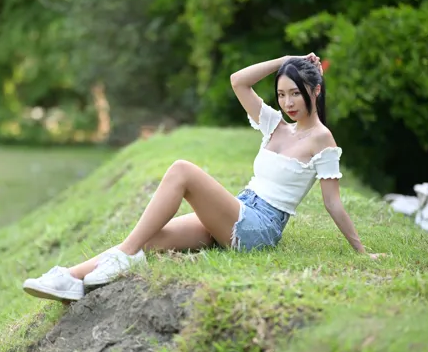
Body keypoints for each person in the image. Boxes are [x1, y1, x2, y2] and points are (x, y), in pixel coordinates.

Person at [22, 53, 386, 302]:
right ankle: (69, 279)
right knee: (151, 238)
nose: (289, 102)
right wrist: (286, 61)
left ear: (316, 91)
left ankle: (122, 256)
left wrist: (360, 251)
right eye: (282, 94)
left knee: (182, 170)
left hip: (259, 228)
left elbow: (333, 202)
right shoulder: (276, 125)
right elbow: (238, 81)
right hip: (240, 208)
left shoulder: (322, 140)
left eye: (296, 93)